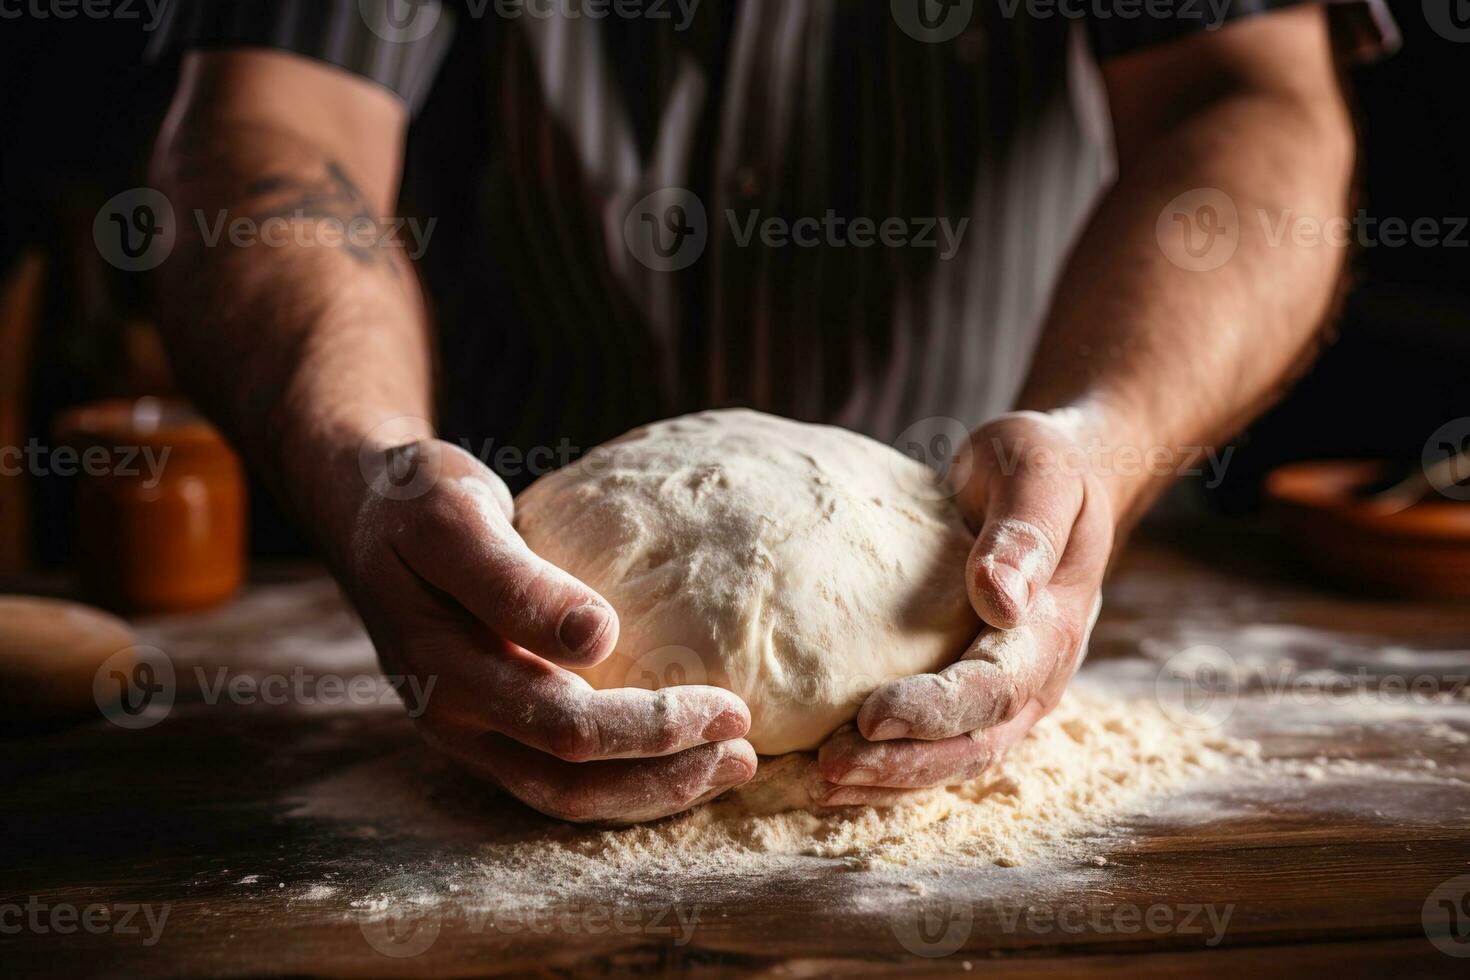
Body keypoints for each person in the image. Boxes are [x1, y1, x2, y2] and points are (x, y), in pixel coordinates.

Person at [146, 0, 1394, 822]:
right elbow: (274, 121)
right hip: (500, 580)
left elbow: (1245, 101)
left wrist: (1099, 437)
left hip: (961, 519)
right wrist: (371, 464)